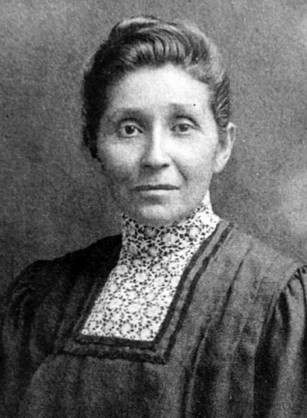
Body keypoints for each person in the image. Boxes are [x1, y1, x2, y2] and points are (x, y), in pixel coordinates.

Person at [1, 15, 306, 417]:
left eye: (182, 126)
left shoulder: (276, 304)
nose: (155, 157)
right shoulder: (42, 297)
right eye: (129, 129)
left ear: (222, 146)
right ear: (94, 143)